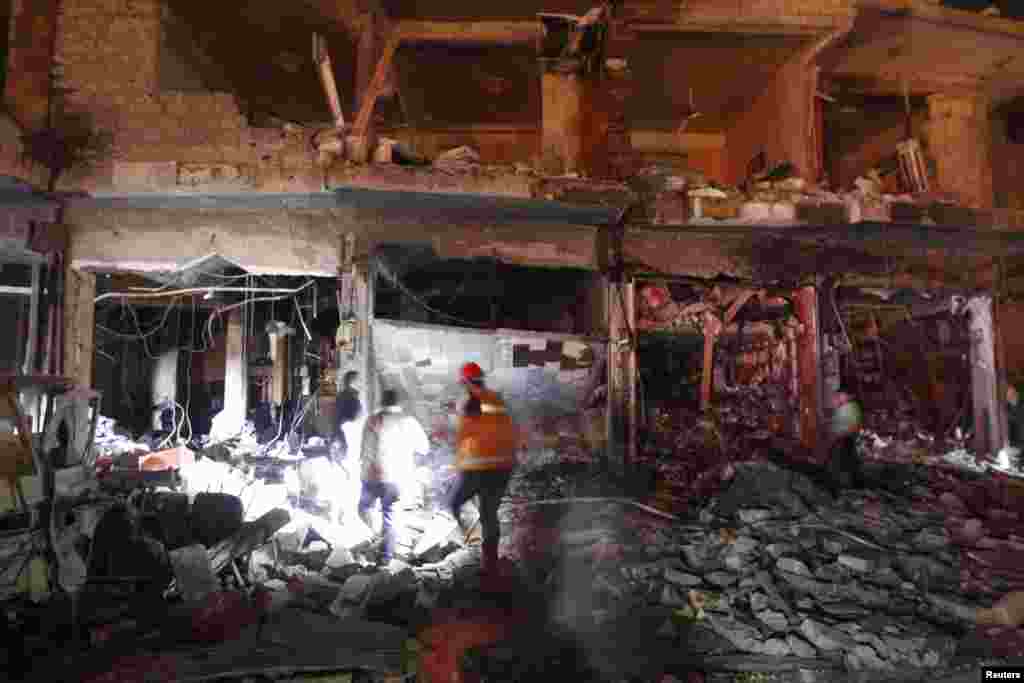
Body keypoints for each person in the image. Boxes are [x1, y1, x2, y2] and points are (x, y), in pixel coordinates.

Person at [447, 362, 520, 588]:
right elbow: (502, 428)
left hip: (477, 468)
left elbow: (465, 433)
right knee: (489, 514)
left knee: (453, 503)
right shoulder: (497, 400)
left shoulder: (469, 401)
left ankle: (467, 542)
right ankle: (490, 566)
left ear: (467, 382)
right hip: (502, 468)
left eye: (463, 383)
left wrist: (457, 463)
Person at [358, 388, 430, 563]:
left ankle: (370, 544)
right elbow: (424, 448)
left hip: (371, 477)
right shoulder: (408, 422)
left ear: (382, 402)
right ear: (399, 403)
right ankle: (385, 559)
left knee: (364, 508)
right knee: (390, 516)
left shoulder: (372, 420)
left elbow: (364, 450)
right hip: (396, 479)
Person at [825, 386, 864, 496]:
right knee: (848, 463)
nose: (838, 398)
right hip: (845, 438)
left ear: (847, 396)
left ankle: (838, 490)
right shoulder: (849, 407)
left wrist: (836, 434)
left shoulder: (848, 408)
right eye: (838, 396)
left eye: (840, 396)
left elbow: (846, 425)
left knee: (837, 464)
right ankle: (851, 486)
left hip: (843, 438)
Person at [335, 371, 362, 463]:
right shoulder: (347, 395)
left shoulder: (348, 394)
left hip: (347, 430)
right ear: (352, 381)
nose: (361, 382)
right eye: (359, 380)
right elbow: (350, 416)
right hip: (348, 431)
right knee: (348, 458)